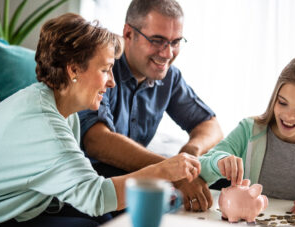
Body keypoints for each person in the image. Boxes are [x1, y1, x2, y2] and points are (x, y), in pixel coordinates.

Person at [0, 13, 201, 227]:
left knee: (108, 220)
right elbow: (96, 197)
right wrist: (164, 170)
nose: (111, 82)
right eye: (105, 69)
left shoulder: (59, 107)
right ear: (74, 69)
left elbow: (86, 190)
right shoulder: (45, 124)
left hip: (25, 207)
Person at [79, 0, 224, 213]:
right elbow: (97, 140)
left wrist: (189, 152)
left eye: (175, 42)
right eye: (157, 40)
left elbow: (211, 126)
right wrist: (169, 171)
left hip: (141, 177)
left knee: (222, 178)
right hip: (95, 180)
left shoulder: (169, 77)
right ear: (128, 34)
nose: (167, 53)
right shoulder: (103, 65)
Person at [199, 57, 295, 215]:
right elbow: (201, 167)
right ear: (274, 98)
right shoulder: (248, 130)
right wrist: (218, 161)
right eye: (282, 102)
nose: (289, 116)